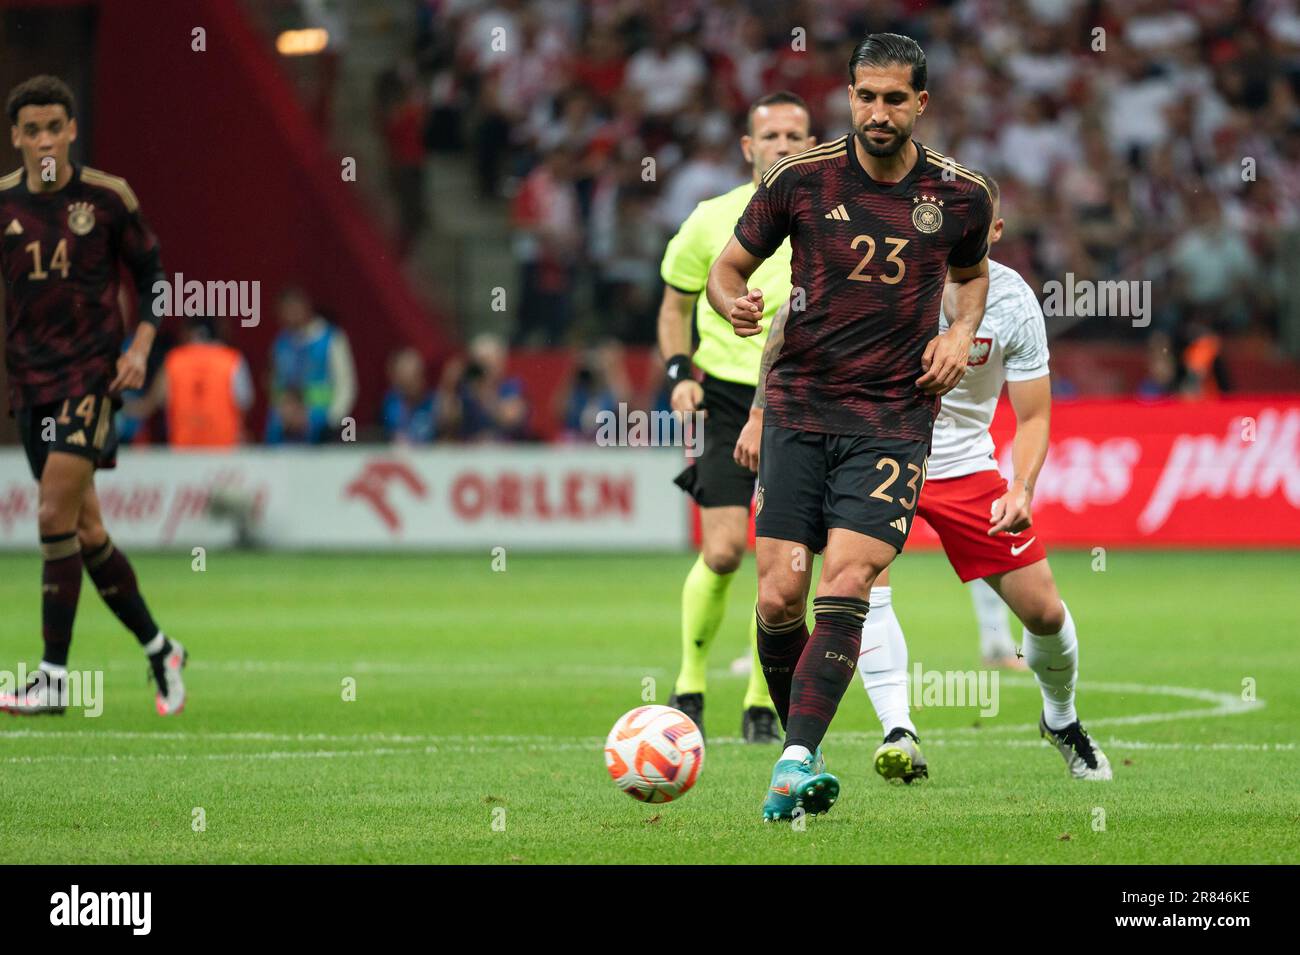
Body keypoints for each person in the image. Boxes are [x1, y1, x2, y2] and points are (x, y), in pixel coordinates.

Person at [709, 34, 992, 821]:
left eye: (894, 98)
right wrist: (728, 299)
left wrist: (960, 332)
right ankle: (808, 745)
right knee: (777, 594)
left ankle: (795, 758)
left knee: (849, 578)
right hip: (799, 408)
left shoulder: (962, 195)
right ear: (849, 95)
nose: (877, 112)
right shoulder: (799, 180)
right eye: (865, 96)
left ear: (921, 103)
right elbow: (726, 268)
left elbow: (972, 281)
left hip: (892, 419)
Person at [849, 174, 1112, 784]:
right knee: (862, 587)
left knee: (1044, 614)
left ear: (992, 231)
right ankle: (899, 730)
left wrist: (1021, 487)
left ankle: (1061, 718)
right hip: (874, 455)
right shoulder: (880, 275)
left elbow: (1035, 414)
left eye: (969, 223)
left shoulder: (1013, 301)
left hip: (964, 467)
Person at [0, 75, 186, 715]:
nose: (45, 139)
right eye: (33, 130)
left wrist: (139, 348)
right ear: (16, 138)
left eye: (56, 126)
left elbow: (156, 277)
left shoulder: (108, 198)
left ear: (72, 130)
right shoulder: (3, 206)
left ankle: (52, 679)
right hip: (30, 385)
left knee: (52, 517)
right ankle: (161, 647)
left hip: (90, 379)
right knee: (84, 529)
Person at [657, 91, 816, 744]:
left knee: (786, 564)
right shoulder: (710, 219)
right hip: (725, 395)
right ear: (750, 148)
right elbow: (674, 306)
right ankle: (690, 680)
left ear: (812, 144)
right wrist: (679, 373)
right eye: (771, 135)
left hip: (802, 398)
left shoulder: (829, 224)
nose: (783, 144)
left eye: (795, 135)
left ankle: (759, 698)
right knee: (723, 550)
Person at [128, 317, 253, 447]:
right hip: (223, 453)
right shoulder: (233, 360)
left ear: (188, 331)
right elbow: (244, 404)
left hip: (183, 452)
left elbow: (149, 404)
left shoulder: (173, 360)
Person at [265, 288, 357, 445]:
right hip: (284, 427)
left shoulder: (330, 338)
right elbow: (275, 383)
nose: (290, 315)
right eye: (285, 311)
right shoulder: (280, 343)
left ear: (306, 306)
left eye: (293, 308)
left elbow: (346, 383)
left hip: (321, 424)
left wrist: (332, 421)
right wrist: (285, 411)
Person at [380, 347, 440, 444]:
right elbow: (396, 435)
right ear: (396, 378)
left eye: (420, 374)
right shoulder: (391, 403)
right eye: (412, 377)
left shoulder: (435, 402)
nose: (418, 382)